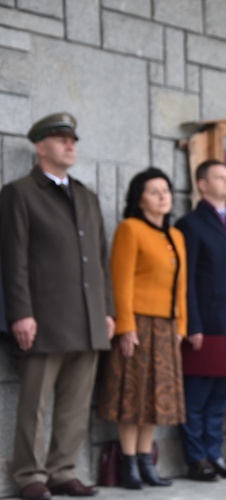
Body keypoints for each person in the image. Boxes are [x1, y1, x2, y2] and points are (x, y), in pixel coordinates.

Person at [0, 112, 115, 500]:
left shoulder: (86, 196)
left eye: (73, 140)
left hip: (88, 318)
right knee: (34, 404)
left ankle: (63, 470)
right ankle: (29, 474)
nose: (71, 145)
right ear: (40, 146)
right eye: (61, 138)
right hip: (43, 318)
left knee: (75, 402)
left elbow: (101, 260)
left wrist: (108, 311)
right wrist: (20, 312)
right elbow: (12, 259)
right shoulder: (20, 193)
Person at [98, 167, 187, 490]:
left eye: (166, 190)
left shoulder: (176, 236)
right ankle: (128, 464)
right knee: (133, 395)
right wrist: (125, 325)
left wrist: (181, 325)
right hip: (137, 324)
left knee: (156, 399)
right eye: (154, 191)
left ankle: (147, 462)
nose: (163, 197)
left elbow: (181, 288)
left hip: (166, 326)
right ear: (139, 199)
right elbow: (119, 281)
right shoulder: (130, 229)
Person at [175, 160, 226, 481]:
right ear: (202, 185)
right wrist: (193, 324)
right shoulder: (191, 224)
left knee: (220, 399)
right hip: (206, 329)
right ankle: (196, 460)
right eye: (219, 176)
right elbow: (187, 281)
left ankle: (215, 455)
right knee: (197, 398)